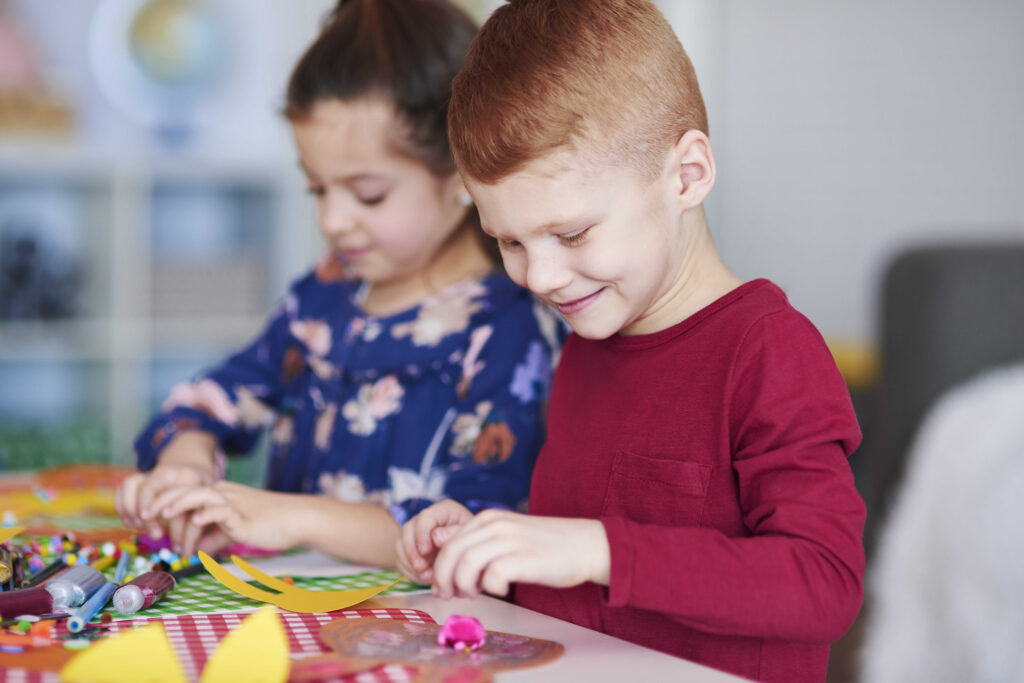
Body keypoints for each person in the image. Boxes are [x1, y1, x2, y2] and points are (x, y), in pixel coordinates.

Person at [395, 1, 865, 681]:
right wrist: (489, 551)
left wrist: (592, 548)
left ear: (687, 175)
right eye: (510, 242)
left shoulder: (770, 352)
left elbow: (824, 583)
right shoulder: (588, 338)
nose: (543, 276)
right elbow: (588, 592)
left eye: (574, 233)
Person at [114, 0, 562, 568]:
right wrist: (188, 455)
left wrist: (293, 517)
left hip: (430, 636)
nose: (333, 221)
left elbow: (477, 527)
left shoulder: (507, 329)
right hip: (295, 612)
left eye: (367, 194)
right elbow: (222, 393)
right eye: (317, 190)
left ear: (460, 174)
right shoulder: (327, 294)